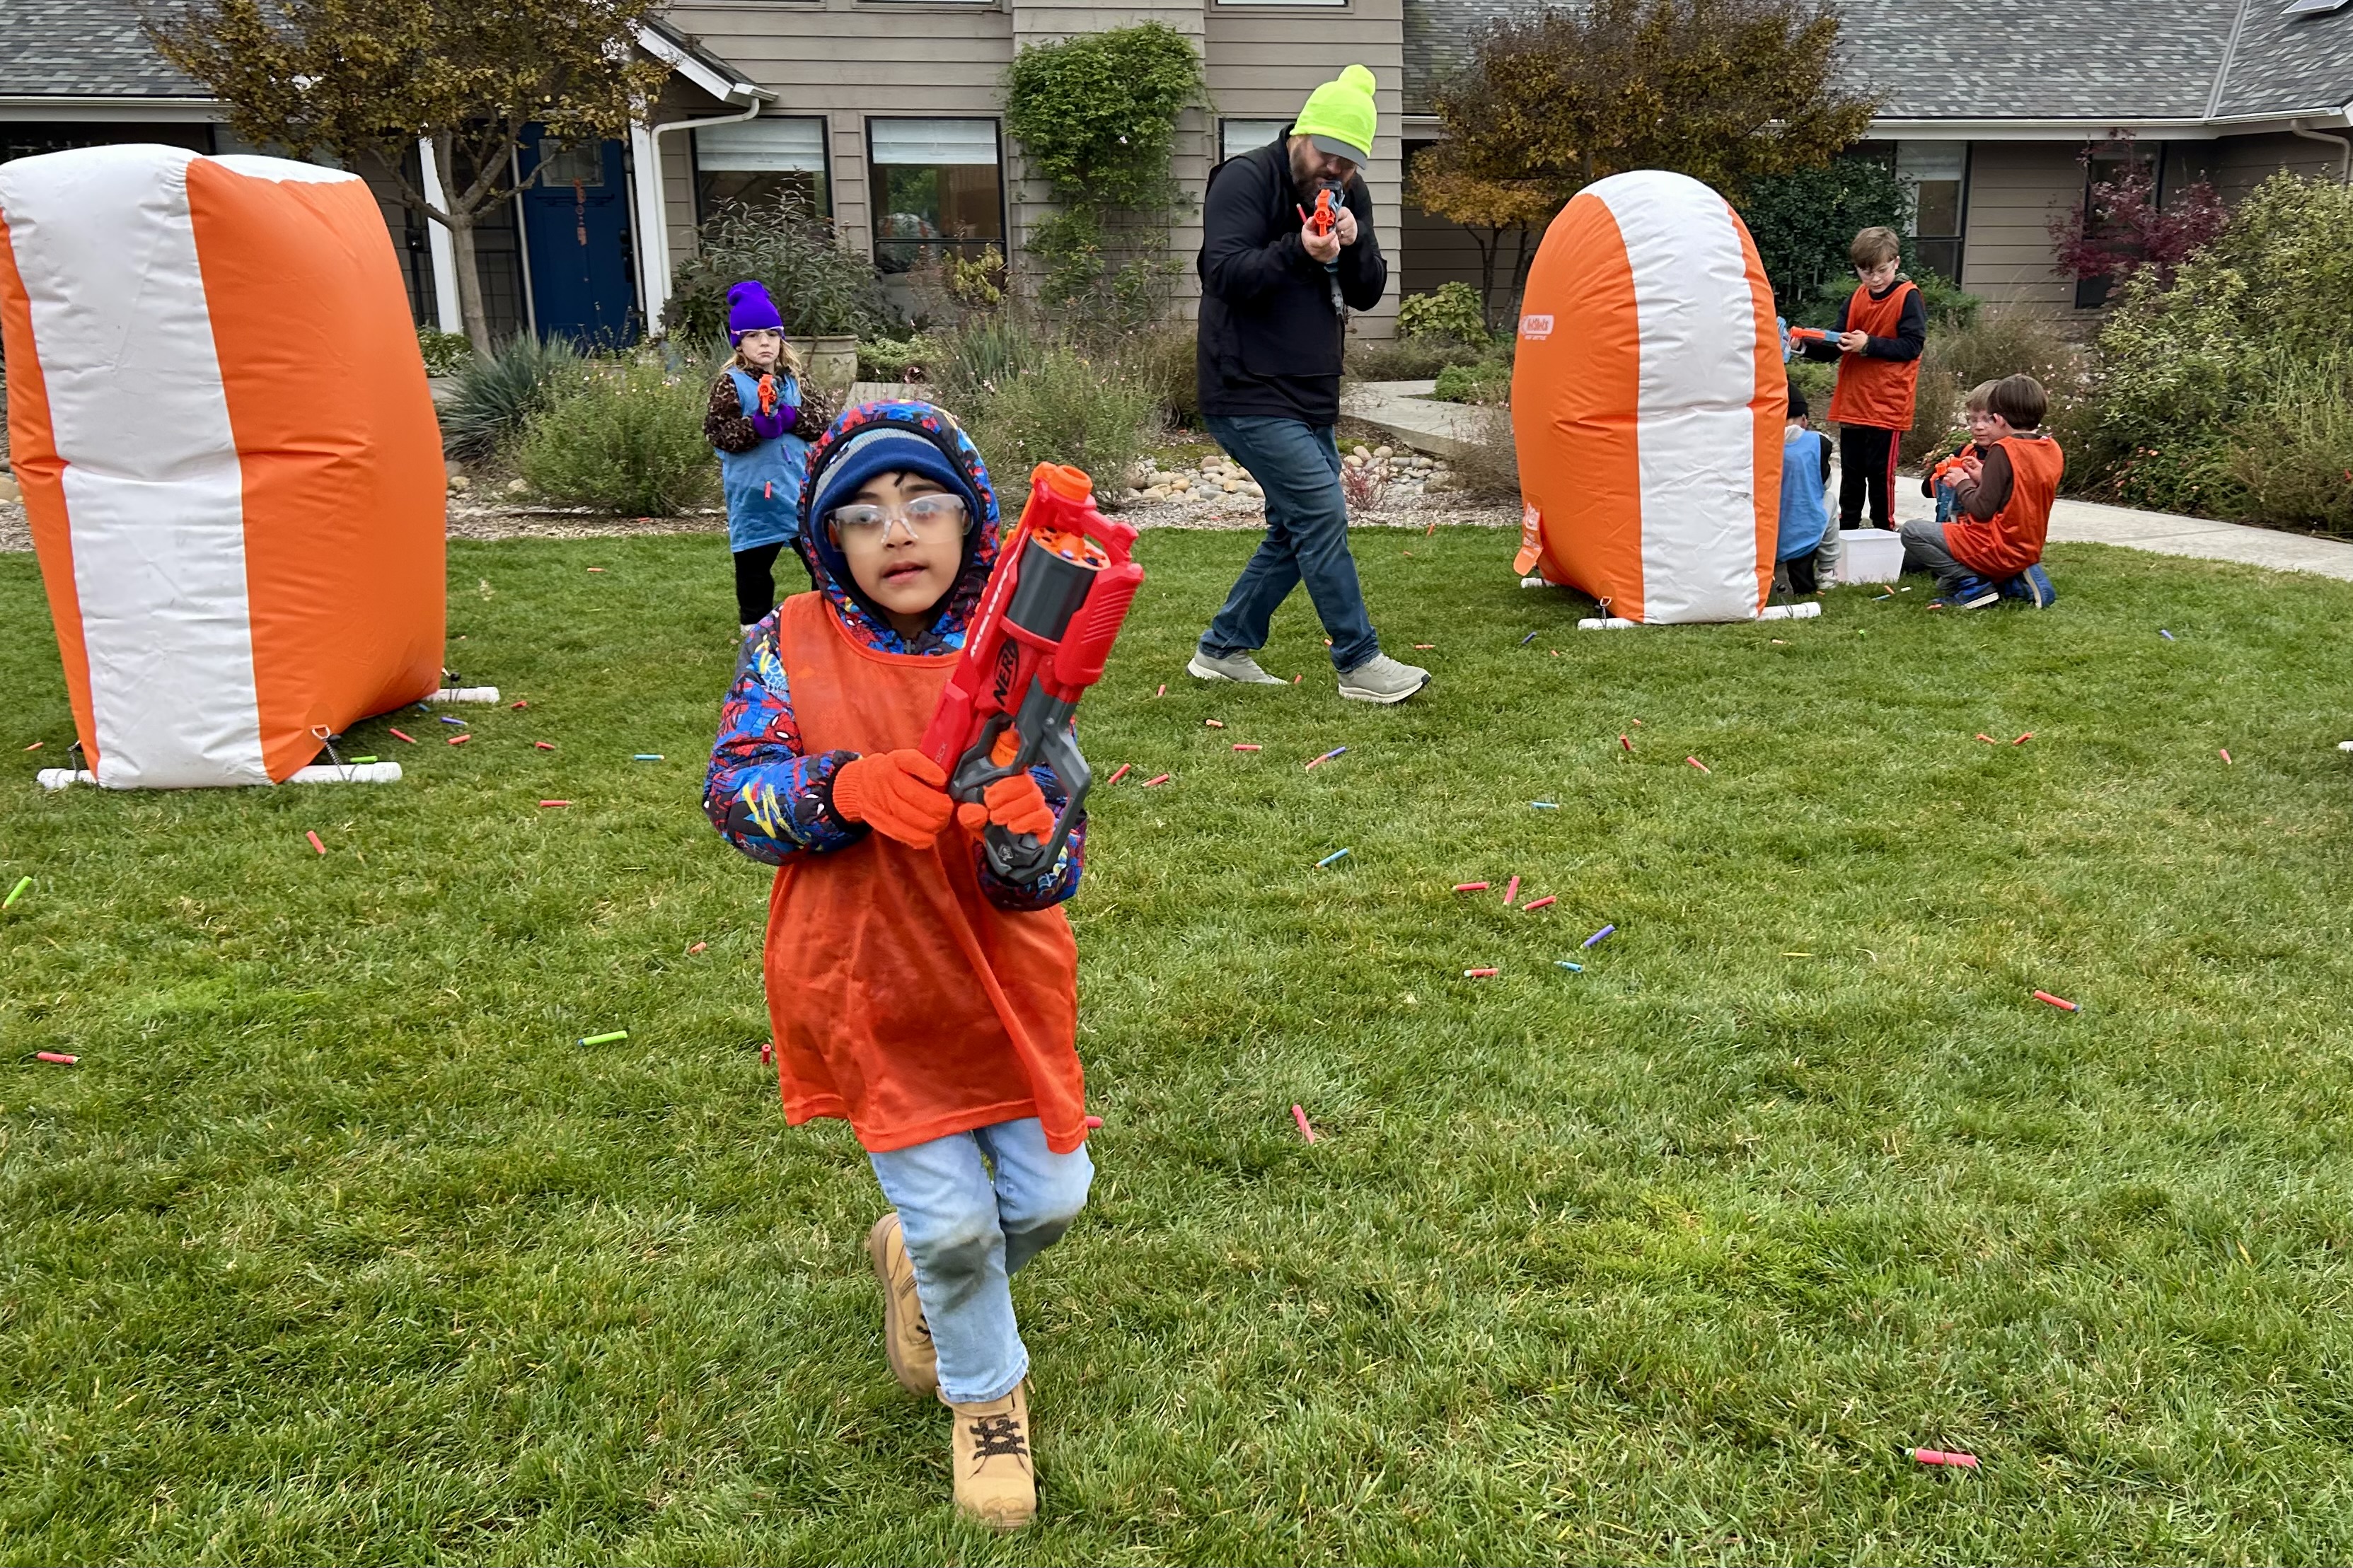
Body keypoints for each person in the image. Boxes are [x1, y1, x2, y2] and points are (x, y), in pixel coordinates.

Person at [702, 401, 1093, 1531]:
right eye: (863, 515)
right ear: (827, 539)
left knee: (1052, 1197)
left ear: (972, 523)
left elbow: (1057, 850)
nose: (897, 532)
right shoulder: (786, 643)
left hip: (1001, 986)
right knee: (958, 1227)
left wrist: (1031, 836)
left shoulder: (1020, 663)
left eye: (924, 504)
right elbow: (734, 793)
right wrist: (840, 788)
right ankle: (986, 1398)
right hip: (866, 982)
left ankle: (915, 1264)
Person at [1188, 65, 1430, 704]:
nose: (1335, 171)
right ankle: (1359, 661)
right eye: (1327, 155)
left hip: (1311, 388)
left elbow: (1369, 291)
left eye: (1349, 163)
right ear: (1301, 135)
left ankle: (1223, 647)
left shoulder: (1351, 193)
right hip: (1245, 385)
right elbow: (1222, 273)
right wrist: (1300, 251)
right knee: (1320, 512)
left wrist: (1354, 244)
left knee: (1297, 526)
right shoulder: (1244, 179)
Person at [704, 281, 833, 634]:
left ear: (781, 339)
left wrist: (791, 418)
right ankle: (754, 627)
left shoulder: (796, 380)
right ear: (739, 343)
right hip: (754, 495)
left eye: (772, 335)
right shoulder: (731, 384)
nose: (765, 343)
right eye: (754, 336)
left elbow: (823, 421)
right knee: (754, 566)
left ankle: (824, 620)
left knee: (821, 560)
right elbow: (718, 432)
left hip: (800, 489)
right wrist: (756, 426)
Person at [1794, 228, 1927, 534]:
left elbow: (1912, 346)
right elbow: (1836, 347)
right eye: (1867, 272)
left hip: (1888, 406)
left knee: (1880, 476)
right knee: (1852, 476)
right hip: (1853, 404)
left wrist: (1868, 344)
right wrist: (1802, 345)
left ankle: (1884, 532)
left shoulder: (1908, 297)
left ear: (1896, 263)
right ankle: (1847, 533)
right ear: (1857, 269)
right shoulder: (1855, 299)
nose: (1875, 278)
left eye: (1882, 270)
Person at [1898, 373, 2062, 610]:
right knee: (1944, 583)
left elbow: (1982, 509)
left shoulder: (2003, 449)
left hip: (1997, 546)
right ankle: (2011, 582)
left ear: (1999, 418)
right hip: (2028, 548)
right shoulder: (2050, 447)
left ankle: (1975, 587)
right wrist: (1984, 476)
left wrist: (1963, 482)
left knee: (1912, 531)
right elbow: (2021, 488)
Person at [1775, 386, 1834, 595]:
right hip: (1804, 537)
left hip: (1763, 535)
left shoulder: (1760, 442)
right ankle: (1827, 571)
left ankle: (1779, 571)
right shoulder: (1818, 443)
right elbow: (1824, 484)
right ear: (1804, 419)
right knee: (1829, 499)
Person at [1921, 381, 1999, 525]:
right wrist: (1943, 475)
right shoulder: (1965, 452)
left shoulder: (2006, 457)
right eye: (1973, 420)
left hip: (1988, 529)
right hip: (1956, 526)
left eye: (1988, 420)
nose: (1979, 427)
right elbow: (1927, 490)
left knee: (1912, 531)